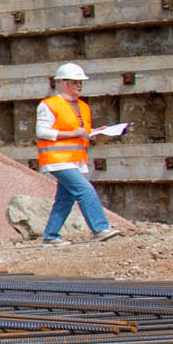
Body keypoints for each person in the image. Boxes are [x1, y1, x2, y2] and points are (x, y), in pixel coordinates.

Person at [37, 61, 129, 245]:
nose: (79, 86)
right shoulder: (49, 105)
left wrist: (95, 131)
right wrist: (72, 133)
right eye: (74, 82)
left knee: (65, 198)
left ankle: (50, 235)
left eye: (80, 82)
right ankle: (100, 228)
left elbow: (80, 132)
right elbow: (41, 131)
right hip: (57, 159)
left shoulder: (82, 106)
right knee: (84, 190)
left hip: (74, 160)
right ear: (62, 83)